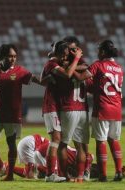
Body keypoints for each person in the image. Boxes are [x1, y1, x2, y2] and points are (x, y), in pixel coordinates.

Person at [0, 44, 41, 181]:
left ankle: (9, 174)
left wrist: (48, 83)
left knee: (11, 143)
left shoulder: (19, 70)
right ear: (2, 56)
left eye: (15, 56)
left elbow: (33, 78)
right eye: (10, 56)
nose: (13, 59)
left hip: (12, 115)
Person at [73, 39, 124, 182]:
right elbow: (98, 87)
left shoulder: (98, 65)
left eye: (98, 50)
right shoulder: (119, 68)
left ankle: (102, 175)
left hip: (102, 108)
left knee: (101, 141)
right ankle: (119, 171)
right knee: (113, 139)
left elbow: (82, 77)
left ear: (102, 51)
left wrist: (70, 70)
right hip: (117, 108)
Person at [40, 41, 83, 182]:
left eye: (67, 56)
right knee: (56, 139)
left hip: (55, 107)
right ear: (57, 53)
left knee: (57, 140)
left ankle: (53, 173)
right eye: (63, 55)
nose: (65, 58)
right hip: (50, 106)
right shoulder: (52, 64)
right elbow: (68, 74)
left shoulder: (52, 62)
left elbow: (41, 79)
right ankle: (50, 174)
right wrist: (76, 58)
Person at [2, 134, 94, 180]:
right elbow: (90, 156)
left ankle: (6, 167)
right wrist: (86, 171)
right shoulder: (79, 157)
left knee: (29, 173)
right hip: (35, 146)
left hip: (34, 146)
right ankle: (7, 167)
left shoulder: (74, 155)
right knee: (34, 174)